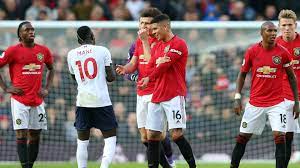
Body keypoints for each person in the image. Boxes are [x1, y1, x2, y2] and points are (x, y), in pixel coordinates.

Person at [230, 21, 299, 168]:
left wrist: (297, 102)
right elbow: (242, 75)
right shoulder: (252, 51)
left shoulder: (282, 53)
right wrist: (237, 97)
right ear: (261, 33)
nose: (273, 34)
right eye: (269, 31)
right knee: (242, 138)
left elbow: (292, 77)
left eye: (275, 31)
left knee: (280, 137)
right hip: (255, 103)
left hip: (277, 104)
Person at [116, 8, 175, 167]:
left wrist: (144, 41)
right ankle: (168, 163)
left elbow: (151, 63)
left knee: (155, 135)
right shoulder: (136, 43)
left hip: (157, 92)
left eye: (147, 23)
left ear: (155, 25)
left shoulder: (161, 42)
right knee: (145, 137)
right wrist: (125, 69)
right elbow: (133, 65)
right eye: (141, 22)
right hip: (141, 93)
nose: (144, 26)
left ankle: (169, 160)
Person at [139, 14, 196, 168]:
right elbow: (151, 65)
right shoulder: (157, 46)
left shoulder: (179, 44)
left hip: (173, 95)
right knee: (152, 136)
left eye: (155, 28)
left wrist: (151, 75)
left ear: (165, 27)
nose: (153, 32)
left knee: (176, 135)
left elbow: (163, 66)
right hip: (157, 96)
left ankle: (192, 166)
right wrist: (157, 63)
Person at [0, 21, 54, 168]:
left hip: (37, 100)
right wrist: (6, 88)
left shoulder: (43, 51)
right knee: (21, 134)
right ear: (20, 34)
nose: (31, 32)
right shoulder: (12, 51)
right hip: (19, 100)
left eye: (32, 29)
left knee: (35, 135)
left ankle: (30, 165)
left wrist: (47, 87)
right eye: (27, 30)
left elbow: (51, 68)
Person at [67, 26, 118, 168]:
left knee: (82, 141)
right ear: (93, 36)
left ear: (78, 40)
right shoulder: (103, 51)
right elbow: (111, 77)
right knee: (110, 138)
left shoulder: (71, 54)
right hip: (102, 101)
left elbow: (74, 77)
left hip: (83, 102)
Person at [276, 9, 300, 167]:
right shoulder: (274, 44)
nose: (287, 28)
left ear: (295, 25)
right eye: (284, 25)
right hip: (283, 97)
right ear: (279, 26)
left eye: (289, 25)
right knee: (284, 135)